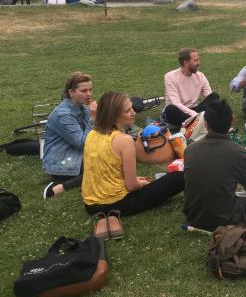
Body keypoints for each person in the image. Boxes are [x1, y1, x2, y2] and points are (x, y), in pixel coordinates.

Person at [82, 92, 184, 239]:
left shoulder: (92, 134)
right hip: (117, 203)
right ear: (114, 115)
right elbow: (132, 186)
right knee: (180, 177)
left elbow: (104, 169)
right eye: (128, 110)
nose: (134, 113)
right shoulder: (124, 140)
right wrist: (139, 183)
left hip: (90, 205)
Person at [183, 99, 246, 231]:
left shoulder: (190, 149)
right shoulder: (238, 152)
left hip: (193, 216)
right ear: (231, 120)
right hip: (225, 216)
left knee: (222, 194)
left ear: (206, 124)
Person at [42, 72, 96, 200]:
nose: (89, 94)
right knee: (101, 166)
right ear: (71, 92)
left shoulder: (81, 107)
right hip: (62, 161)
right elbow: (83, 143)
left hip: (74, 153)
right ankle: (59, 187)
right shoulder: (63, 115)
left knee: (108, 159)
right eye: (84, 91)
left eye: (90, 89)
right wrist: (93, 118)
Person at [163, 48, 219, 129]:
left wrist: (221, 109)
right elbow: (175, 102)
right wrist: (194, 114)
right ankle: (201, 123)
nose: (199, 63)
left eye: (198, 60)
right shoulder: (170, 77)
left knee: (214, 96)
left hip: (195, 111)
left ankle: (194, 123)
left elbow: (209, 95)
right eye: (195, 60)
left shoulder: (200, 76)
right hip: (180, 111)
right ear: (185, 63)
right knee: (170, 109)